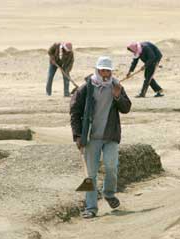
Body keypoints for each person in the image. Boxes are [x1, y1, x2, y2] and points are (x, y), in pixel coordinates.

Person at [70, 56, 132, 219]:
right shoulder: (86, 88)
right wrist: (77, 135)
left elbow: (126, 108)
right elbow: (75, 112)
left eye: (107, 70)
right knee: (90, 174)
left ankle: (109, 194)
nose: (105, 73)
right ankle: (91, 207)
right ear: (97, 70)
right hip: (91, 137)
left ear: (111, 71)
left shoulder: (116, 86)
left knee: (111, 167)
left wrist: (118, 96)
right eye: (102, 70)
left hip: (110, 135)